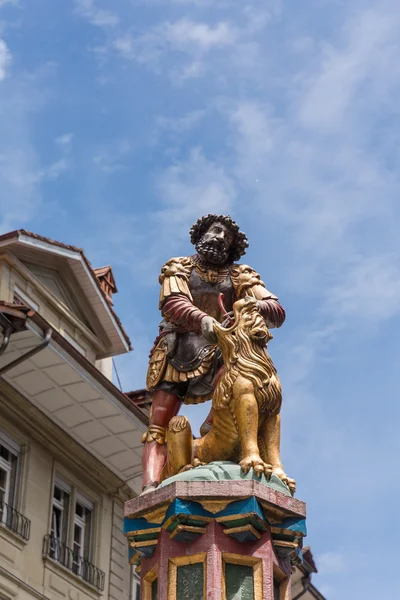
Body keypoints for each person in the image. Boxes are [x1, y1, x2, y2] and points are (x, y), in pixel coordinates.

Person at [141, 214, 285, 492]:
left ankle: (213, 427)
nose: (220, 237)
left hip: (223, 348)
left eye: (227, 237)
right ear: (201, 234)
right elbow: (173, 302)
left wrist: (251, 305)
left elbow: (276, 311)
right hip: (177, 348)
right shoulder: (179, 266)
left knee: (243, 373)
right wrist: (204, 320)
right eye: (216, 231)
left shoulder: (240, 275)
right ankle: (150, 483)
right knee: (159, 421)